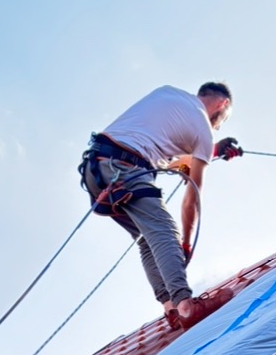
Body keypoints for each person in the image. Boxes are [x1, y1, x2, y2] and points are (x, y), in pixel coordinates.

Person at [80, 82, 237, 330]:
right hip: (126, 169)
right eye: (223, 120)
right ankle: (185, 305)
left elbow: (162, 158)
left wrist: (214, 151)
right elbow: (191, 199)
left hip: (96, 168)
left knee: (145, 238)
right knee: (164, 232)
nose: (218, 126)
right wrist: (184, 243)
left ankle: (171, 309)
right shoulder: (203, 130)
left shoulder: (167, 93)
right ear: (223, 104)